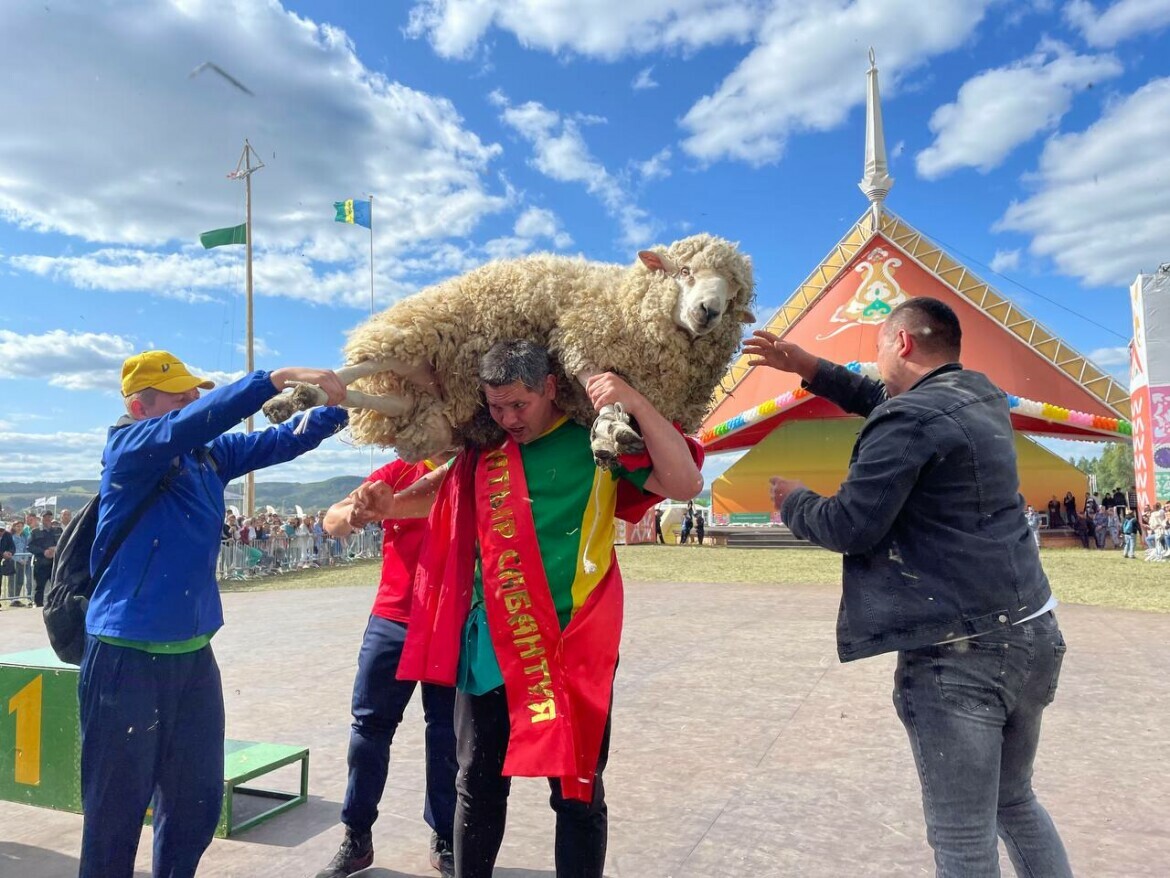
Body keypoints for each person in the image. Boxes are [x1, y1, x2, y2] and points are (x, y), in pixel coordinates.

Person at [744, 298, 1071, 877]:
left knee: (963, 840)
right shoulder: (981, 396)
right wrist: (808, 367)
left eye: (876, 349)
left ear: (901, 344)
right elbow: (886, 402)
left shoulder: (913, 419)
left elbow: (849, 525)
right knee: (1014, 802)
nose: (875, 366)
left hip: (961, 654)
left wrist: (794, 500)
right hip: (1033, 634)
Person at [353, 340, 702, 878]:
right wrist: (391, 506)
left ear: (550, 388)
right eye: (496, 407)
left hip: (573, 647)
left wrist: (630, 397)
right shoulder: (485, 450)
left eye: (520, 405)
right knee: (477, 786)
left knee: (577, 795)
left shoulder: (599, 442)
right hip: (491, 647)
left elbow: (684, 482)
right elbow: (440, 493)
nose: (509, 419)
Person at [78, 350, 347, 878]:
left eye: (193, 390)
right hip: (124, 658)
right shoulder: (128, 448)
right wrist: (276, 379)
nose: (192, 400)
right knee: (115, 814)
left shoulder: (207, 457)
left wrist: (336, 410)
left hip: (194, 658)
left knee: (196, 802)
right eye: (178, 396)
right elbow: (195, 421)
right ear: (139, 406)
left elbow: (279, 441)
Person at [315, 458, 457, 878]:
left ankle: (446, 836)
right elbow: (331, 520)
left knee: (447, 735)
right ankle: (356, 837)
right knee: (368, 733)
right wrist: (353, 513)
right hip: (393, 619)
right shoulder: (398, 471)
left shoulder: (474, 463)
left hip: (451, 618)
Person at [26, 509, 62, 606]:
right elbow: (29, 546)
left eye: (49, 517)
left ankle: (56, 606)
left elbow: (64, 543)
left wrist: (56, 549)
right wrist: (43, 551)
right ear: (41, 518)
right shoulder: (35, 531)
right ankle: (38, 606)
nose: (47, 519)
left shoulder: (58, 530)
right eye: (45, 517)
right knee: (39, 588)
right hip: (41, 564)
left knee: (57, 586)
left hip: (55, 564)